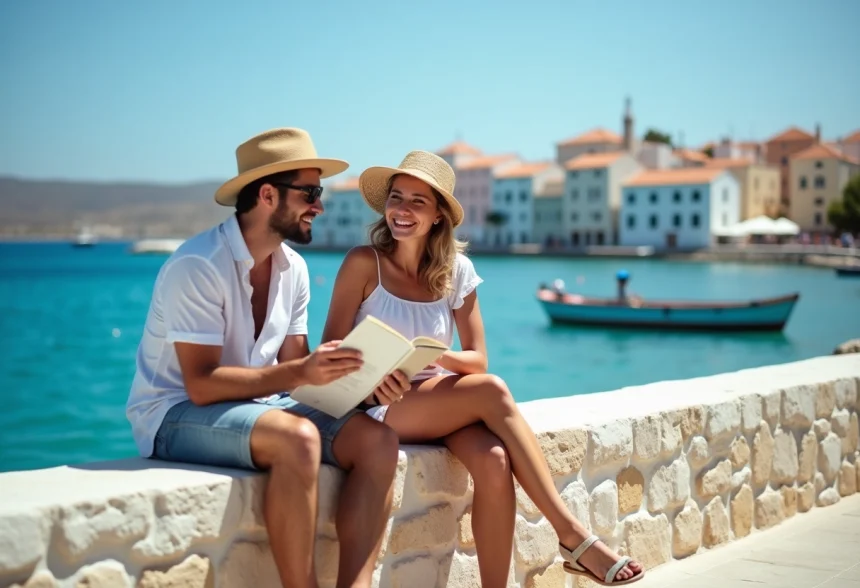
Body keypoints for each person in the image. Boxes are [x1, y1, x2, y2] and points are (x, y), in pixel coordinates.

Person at [321, 151, 645, 587]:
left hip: (439, 399)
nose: (402, 210)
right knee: (491, 391)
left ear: (438, 215)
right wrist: (377, 374)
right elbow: (330, 349)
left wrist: (434, 354)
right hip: (378, 405)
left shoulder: (457, 270)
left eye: (418, 201)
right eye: (397, 198)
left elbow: (476, 358)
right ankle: (572, 535)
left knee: (493, 460)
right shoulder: (364, 263)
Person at [125, 128, 409, 588]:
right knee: (298, 439)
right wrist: (299, 371)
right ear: (267, 195)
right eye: (311, 192)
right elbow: (200, 384)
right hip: (173, 413)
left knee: (378, 442)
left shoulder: (292, 268)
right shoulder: (198, 265)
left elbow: (296, 372)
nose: (320, 205)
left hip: (260, 408)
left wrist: (366, 381)